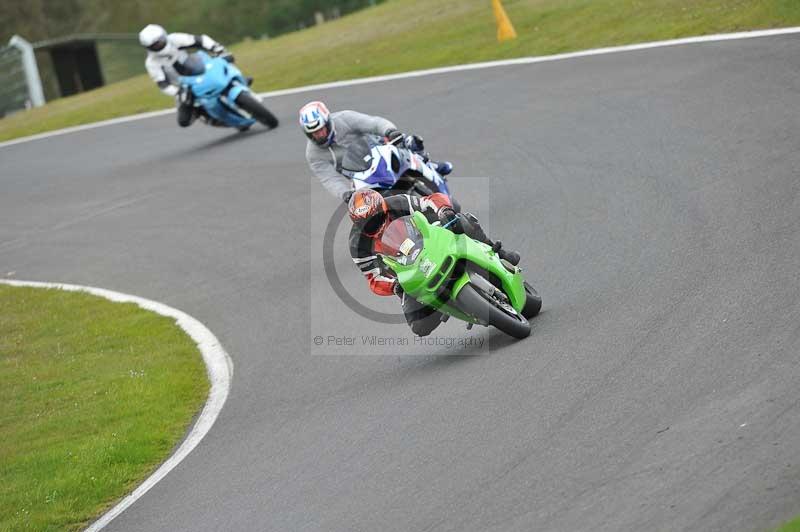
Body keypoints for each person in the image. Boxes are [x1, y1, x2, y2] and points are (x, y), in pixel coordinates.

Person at [348, 189, 520, 337]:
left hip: (431, 241)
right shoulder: (357, 245)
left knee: (461, 220)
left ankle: (498, 252)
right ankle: (445, 304)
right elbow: (373, 277)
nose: (375, 224)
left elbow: (428, 201)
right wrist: (394, 286)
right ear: (358, 224)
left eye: (377, 217)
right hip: (410, 274)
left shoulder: (397, 203)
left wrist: (444, 210)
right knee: (419, 326)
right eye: (368, 224)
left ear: (383, 208)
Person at [299, 100, 453, 202]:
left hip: (377, 150)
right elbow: (329, 178)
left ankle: (429, 163)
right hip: (358, 175)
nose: (319, 135)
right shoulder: (313, 154)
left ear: (328, 122)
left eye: (322, 129)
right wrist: (345, 193)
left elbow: (374, 123)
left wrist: (389, 131)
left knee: (407, 141)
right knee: (363, 212)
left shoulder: (344, 118)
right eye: (314, 133)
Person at [138, 24, 232, 127]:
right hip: (184, 87)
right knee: (183, 121)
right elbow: (162, 84)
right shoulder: (151, 62)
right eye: (155, 45)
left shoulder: (174, 39)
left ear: (164, 35)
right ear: (148, 47)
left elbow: (200, 40)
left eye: (160, 41)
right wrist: (178, 92)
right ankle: (210, 118)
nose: (159, 45)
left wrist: (217, 49)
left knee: (223, 61)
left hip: (197, 68)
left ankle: (236, 81)